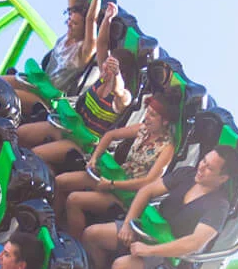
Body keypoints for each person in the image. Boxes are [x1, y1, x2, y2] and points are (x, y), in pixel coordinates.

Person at [82, 146, 238, 269]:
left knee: (121, 268)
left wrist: (149, 250)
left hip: (168, 254)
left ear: (222, 178)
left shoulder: (219, 206)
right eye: (204, 161)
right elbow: (147, 191)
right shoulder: (187, 174)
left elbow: (194, 243)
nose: (202, 167)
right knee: (92, 235)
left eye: (210, 168)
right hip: (148, 230)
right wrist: (128, 225)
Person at [54, 94, 176, 240]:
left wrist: (112, 185)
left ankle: (73, 244)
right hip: (114, 177)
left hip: (128, 196)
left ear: (165, 121)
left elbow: (148, 182)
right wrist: (93, 159)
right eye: (147, 112)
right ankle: (53, 227)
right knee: (60, 181)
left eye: (153, 115)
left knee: (74, 199)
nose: (147, 117)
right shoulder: (143, 129)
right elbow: (110, 135)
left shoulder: (167, 148)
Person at [9, 0, 108, 111]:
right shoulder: (68, 33)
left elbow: (92, 19)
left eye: (75, 24)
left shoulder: (84, 50)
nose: (69, 24)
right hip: (37, 82)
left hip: (46, 101)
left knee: (7, 94)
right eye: (69, 19)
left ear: (84, 29)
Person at [17, 53, 131, 168]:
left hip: (81, 144)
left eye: (110, 67)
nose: (105, 67)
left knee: (35, 155)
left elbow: (119, 91)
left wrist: (116, 74)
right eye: (107, 63)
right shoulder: (102, 79)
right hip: (66, 127)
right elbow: (102, 43)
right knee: (21, 134)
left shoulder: (123, 97)